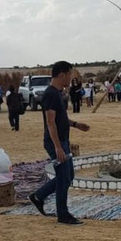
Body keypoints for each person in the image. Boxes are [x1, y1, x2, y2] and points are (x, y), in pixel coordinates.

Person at [29, 61, 90, 225]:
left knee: (68, 175)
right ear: (62, 74)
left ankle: (38, 196)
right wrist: (57, 147)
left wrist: (76, 125)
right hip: (55, 142)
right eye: (70, 74)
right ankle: (62, 214)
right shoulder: (50, 94)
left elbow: (60, 119)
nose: (71, 78)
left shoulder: (57, 93)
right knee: (63, 178)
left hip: (63, 140)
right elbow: (50, 122)